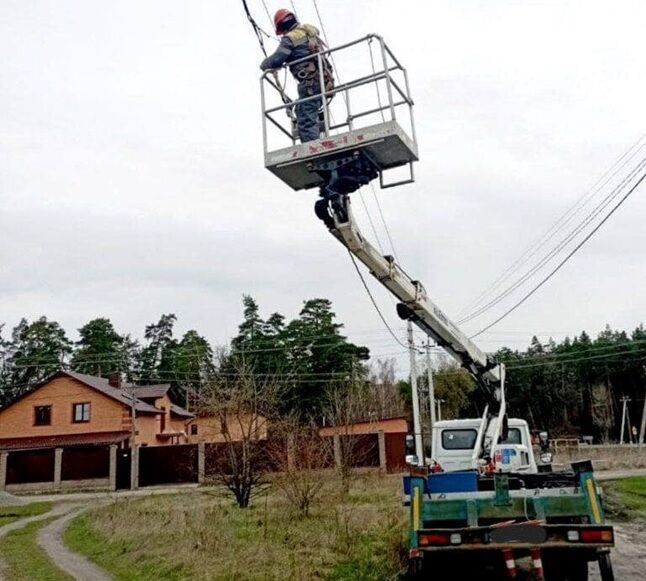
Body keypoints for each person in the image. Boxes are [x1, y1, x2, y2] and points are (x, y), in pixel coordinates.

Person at [260, 9, 333, 143]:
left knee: (305, 118)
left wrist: (264, 65)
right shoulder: (308, 33)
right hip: (323, 81)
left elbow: (277, 59)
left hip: (310, 83)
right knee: (302, 109)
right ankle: (316, 142)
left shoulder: (290, 38)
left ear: (282, 26)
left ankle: (313, 151)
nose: (283, 34)